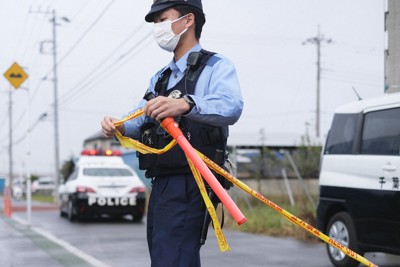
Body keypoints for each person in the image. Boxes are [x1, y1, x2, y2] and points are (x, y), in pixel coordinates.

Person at [101, 0, 243, 266]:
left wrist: (186, 103)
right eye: (155, 22)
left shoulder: (216, 66)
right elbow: (140, 119)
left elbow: (232, 106)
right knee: (166, 255)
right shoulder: (161, 77)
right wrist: (118, 125)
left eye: (162, 19)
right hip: (162, 181)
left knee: (173, 258)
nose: (157, 27)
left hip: (191, 181)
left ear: (188, 20)